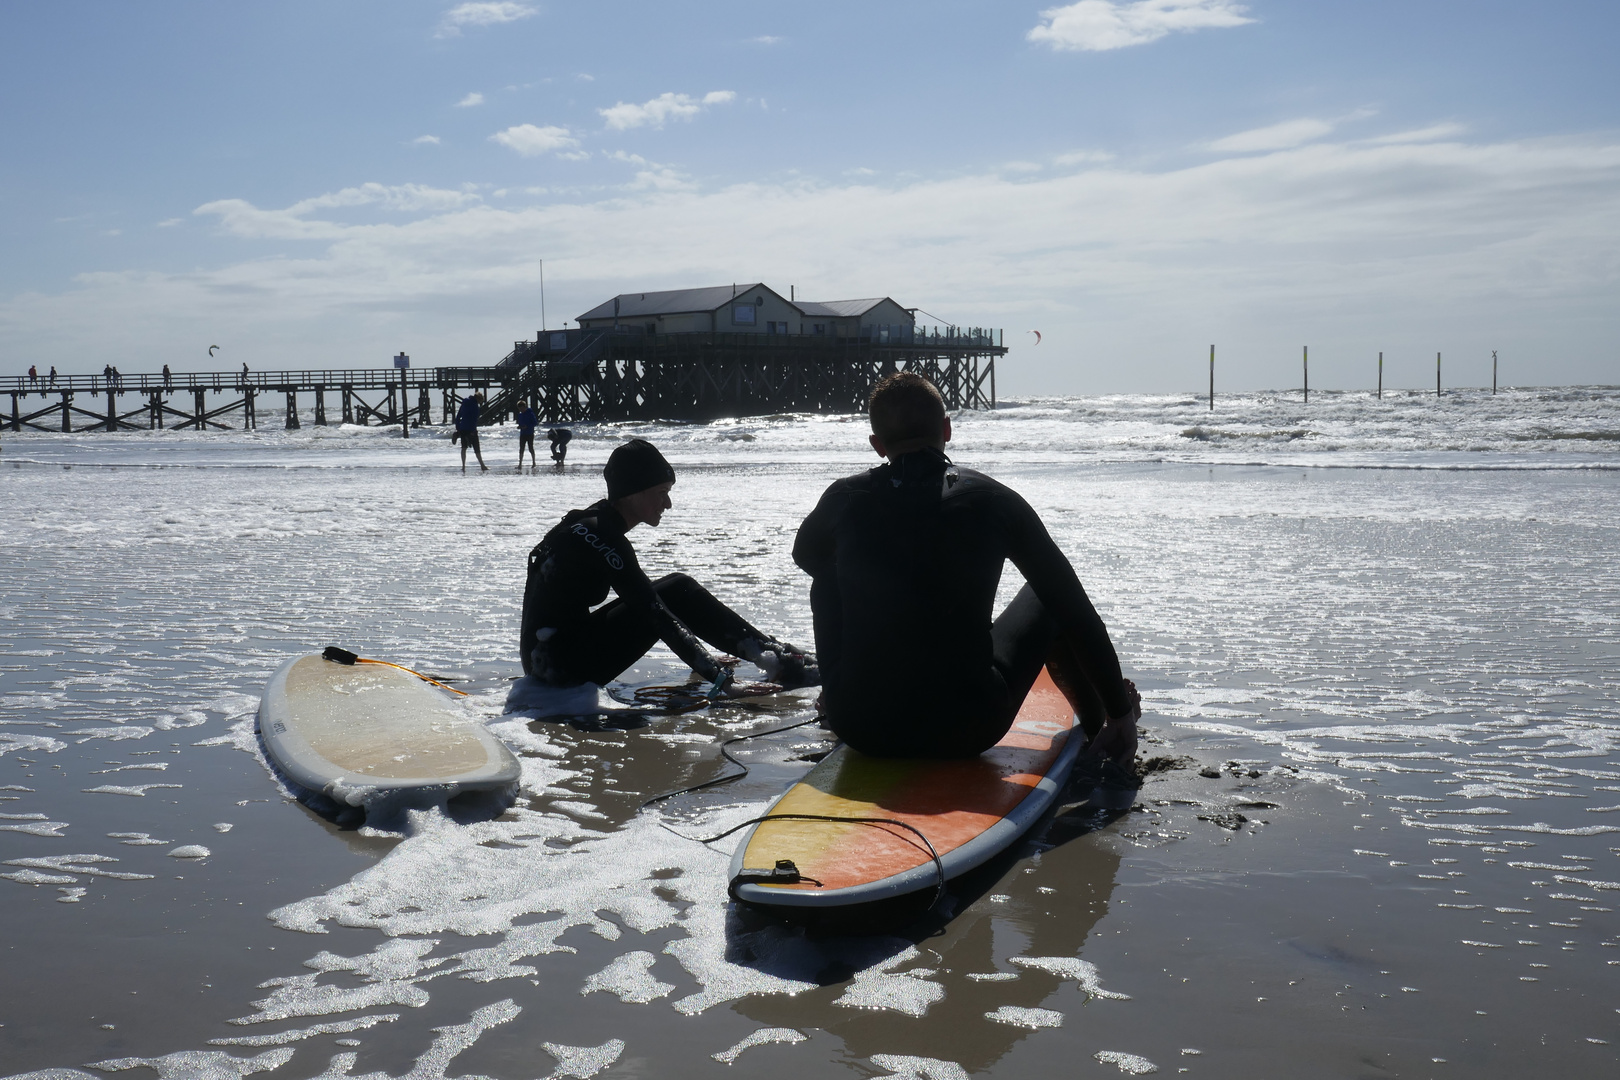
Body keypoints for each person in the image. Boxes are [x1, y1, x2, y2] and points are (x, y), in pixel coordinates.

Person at [793, 372, 1140, 761]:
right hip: (968, 726)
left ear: (877, 445)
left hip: (859, 726)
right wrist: (1119, 709)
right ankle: (1104, 733)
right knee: (1049, 597)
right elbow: (1074, 608)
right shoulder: (993, 499)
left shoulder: (844, 498)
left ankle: (841, 687)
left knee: (827, 578)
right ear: (947, 428)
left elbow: (805, 556)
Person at [520, 438, 816, 695]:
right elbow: (656, 616)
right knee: (676, 593)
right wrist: (721, 681)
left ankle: (773, 654)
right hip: (558, 670)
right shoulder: (605, 539)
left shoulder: (586, 523)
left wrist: (705, 660)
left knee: (673, 585)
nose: (668, 503)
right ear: (634, 491)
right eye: (662, 492)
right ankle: (778, 660)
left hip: (545, 658)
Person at [455, 392, 488, 472]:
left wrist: (458, 428)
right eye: (481, 401)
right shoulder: (475, 406)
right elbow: (474, 420)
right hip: (471, 429)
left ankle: (463, 467)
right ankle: (482, 466)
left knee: (463, 448)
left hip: (462, 428)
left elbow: (458, 416)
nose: (481, 402)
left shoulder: (464, 403)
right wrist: (473, 431)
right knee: (476, 448)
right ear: (478, 399)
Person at [515, 401, 538, 469]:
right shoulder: (520, 414)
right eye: (519, 409)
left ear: (524, 407)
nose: (520, 410)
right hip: (523, 433)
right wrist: (520, 426)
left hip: (530, 433)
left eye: (521, 408)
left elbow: (535, 423)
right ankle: (520, 464)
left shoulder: (530, 413)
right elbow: (520, 423)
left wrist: (527, 426)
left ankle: (534, 462)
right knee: (521, 449)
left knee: (530, 448)